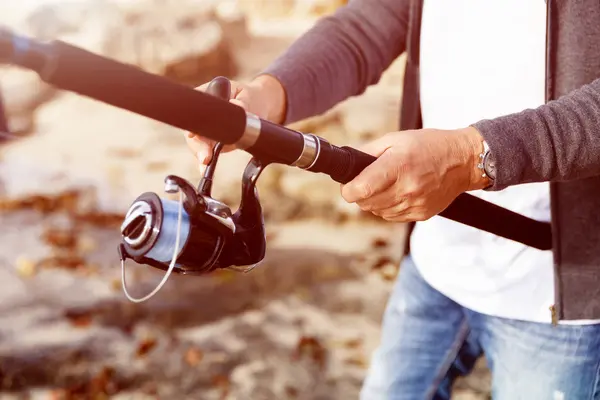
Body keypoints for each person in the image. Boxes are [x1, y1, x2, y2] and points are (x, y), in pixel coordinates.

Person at [186, 0, 600, 398]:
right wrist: (263, 98)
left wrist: (471, 158)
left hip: (559, 300)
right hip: (433, 262)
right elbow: (370, 23)